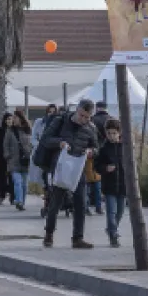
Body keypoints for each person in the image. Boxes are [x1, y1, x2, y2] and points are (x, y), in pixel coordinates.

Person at [39, 99, 99, 249]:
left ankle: (78, 238)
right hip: (60, 166)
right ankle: (49, 234)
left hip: (78, 168)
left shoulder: (90, 127)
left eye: (87, 117)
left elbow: (96, 147)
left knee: (81, 203)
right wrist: (59, 143)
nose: (83, 119)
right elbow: (45, 139)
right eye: (81, 115)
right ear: (77, 110)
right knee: (56, 202)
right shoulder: (61, 121)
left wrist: (91, 151)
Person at [96, 118, 126, 247]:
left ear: (119, 133)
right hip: (109, 186)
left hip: (123, 185)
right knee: (111, 212)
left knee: (120, 212)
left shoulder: (125, 147)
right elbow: (97, 166)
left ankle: (111, 229)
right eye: (109, 133)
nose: (111, 136)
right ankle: (113, 235)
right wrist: (105, 168)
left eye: (114, 133)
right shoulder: (103, 149)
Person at [32, 104, 59, 217]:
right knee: (47, 182)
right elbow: (34, 138)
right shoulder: (40, 123)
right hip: (45, 159)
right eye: (49, 112)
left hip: (55, 160)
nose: (51, 114)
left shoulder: (58, 124)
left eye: (53, 112)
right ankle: (48, 204)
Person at [3, 110, 32, 211]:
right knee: (17, 182)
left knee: (24, 184)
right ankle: (19, 201)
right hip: (13, 161)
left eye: (15, 118)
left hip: (25, 161)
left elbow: (31, 144)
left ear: (21, 118)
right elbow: (5, 145)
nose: (13, 120)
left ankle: (22, 202)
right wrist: (7, 156)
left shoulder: (27, 130)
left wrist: (30, 153)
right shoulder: (10, 131)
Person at [88, 102, 110, 215]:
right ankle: (99, 206)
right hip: (107, 152)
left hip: (91, 152)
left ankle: (87, 205)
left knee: (88, 179)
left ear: (97, 108)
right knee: (99, 180)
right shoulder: (111, 119)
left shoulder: (91, 120)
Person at [0, 112, 12, 206]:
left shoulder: (14, 130)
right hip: (1, 158)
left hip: (12, 158)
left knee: (12, 177)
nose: (9, 121)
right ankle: (2, 195)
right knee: (1, 177)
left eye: (10, 119)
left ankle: (12, 197)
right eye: (7, 119)